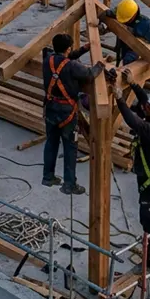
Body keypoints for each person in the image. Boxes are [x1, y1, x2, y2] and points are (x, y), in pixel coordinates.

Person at [112, 81, 150, 270]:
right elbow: (146, 103)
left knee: (149, 219)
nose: (145, 107)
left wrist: (120, 98)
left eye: (149, 108)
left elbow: (132, 120)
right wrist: (133, 84)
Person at [41, 33, 105, 194]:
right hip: (67, 113)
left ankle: (48, 177)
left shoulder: (47, 59)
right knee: (70, 148)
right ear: (68, 48)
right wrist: (100, 65)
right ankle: (69, 184)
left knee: (51, 143)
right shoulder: (72, 67)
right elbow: (90, 74)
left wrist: (83, 49)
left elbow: (65, 58)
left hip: (50, 108)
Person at [100, 0, 150, 65]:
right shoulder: (123, 11)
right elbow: (113, 13)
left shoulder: (145, 25)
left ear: (134, 15)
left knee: (128, 60)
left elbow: (148, 46)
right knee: (123, 53)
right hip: (125, 43)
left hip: (138, 47)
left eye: (127, 20)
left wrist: (133, 33)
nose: (124, 21)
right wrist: (104, 16)